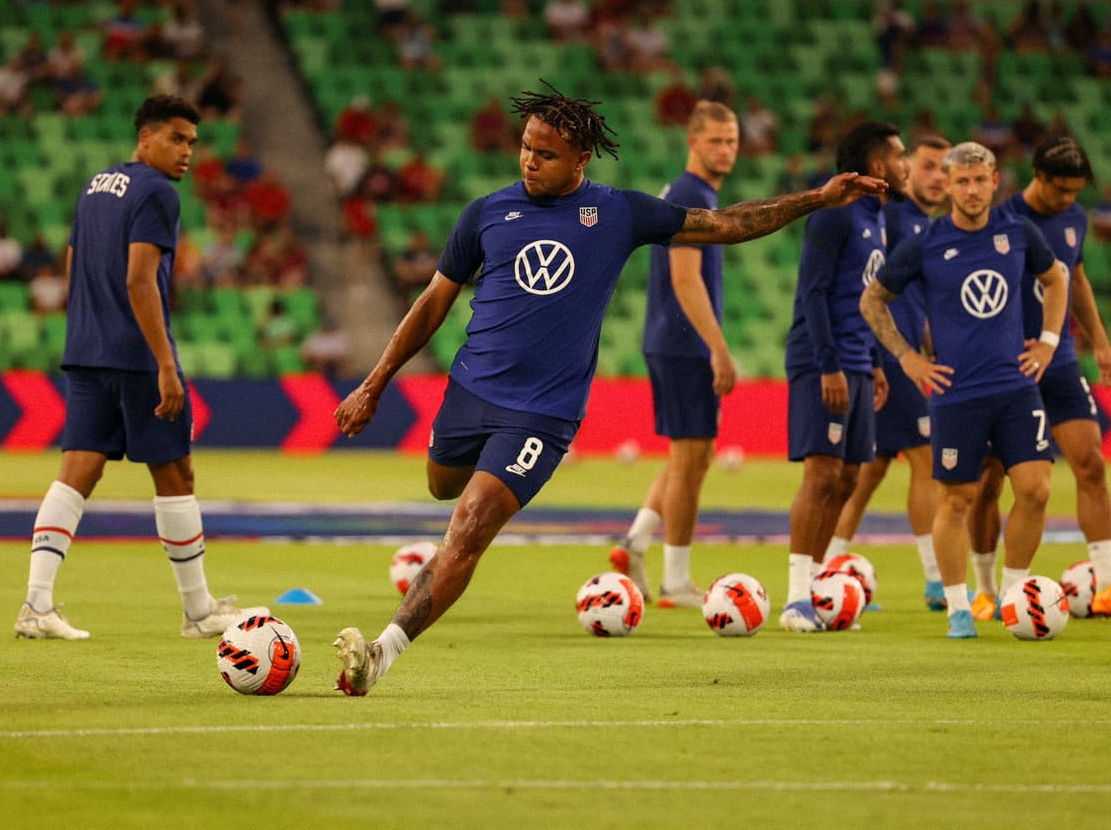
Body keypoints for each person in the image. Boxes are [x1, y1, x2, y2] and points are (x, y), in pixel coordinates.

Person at [329, 83, 887, 694]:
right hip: (470, 390)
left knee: (469, 525)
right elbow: (433, 302)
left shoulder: (618, 212)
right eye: (525, 147)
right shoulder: (485, 213)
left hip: (541, 414)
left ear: (580, 159)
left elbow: (725, 223)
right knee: (443, 486)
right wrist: (374, 384)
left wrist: (816, 198)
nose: (529, 161)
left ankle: (381, 653)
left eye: (545, 153)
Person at [14, 95, 267, 641]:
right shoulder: (157, 192)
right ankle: (198, 612)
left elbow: (73, 264)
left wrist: (90, 323)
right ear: (145, 137)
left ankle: (36, 605)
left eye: (192, 142)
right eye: (176, 139)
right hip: (135, 357)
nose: (187, 152)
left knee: (77, 474)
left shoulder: (93, 186)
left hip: (87, 350)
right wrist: (165, 364)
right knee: (175, 474)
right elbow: (139, 279)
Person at [860, 141, 1067, 639]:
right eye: (962, 181)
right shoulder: (926, 242)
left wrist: (1048, 341)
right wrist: (907, 357)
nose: (972, 190)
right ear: (948, 186)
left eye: (980, 180)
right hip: (956, 393)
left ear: (995, 181)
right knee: (956, 501)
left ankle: (1012, 596)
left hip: (1015, 386)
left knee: (1036, 489)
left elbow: (1056, 279)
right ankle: (958, 608)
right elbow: (873, 300)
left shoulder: (1018, 232)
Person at [966, 137, 1111, 618]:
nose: (1068, 199)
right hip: (1006, 367)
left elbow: (1076, 279)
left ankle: (1106, 583)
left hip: (1060, 360)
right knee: (989, 480)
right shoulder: (1000, 220)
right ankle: (986, 588)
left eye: (1075, 191)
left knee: (1090, 464)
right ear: (1038, 176)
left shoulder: (1074, 219)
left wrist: (1100, 340)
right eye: (1060, 190)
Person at [608, 101, 740, 608]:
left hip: (671, 339)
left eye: (731, 141)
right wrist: (718, 347)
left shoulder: (690, 192)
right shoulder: (691, 194)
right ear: (693, 142)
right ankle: (676, 580)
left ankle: (636, 540)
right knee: (690, 460)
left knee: (693, 454)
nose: (725, 150)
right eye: (716, 141)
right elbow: (686, 280)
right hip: (685, 344)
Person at [779, 121, 907, 632]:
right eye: (900, 156)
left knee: (850, 477)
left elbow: (865, 299)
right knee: (822, 475)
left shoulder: (877, 219)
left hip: (858, 361)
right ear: (877, 166)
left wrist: (873, 362)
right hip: (822, 361)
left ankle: (817, 588)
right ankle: (795, 599)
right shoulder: (835, 215)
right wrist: (828, 363)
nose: (906, 165)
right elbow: (812, 291)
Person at [829, 135, 952, 610]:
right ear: (906, 170)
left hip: (892, 355)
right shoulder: (896, 218)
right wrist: (898, 353)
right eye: (927, 166)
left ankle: (829, 566)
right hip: (892, 356)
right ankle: (937, 578)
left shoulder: (922, 224)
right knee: (925, 459)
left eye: (945, 169)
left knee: (870, 470)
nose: (937, 177)